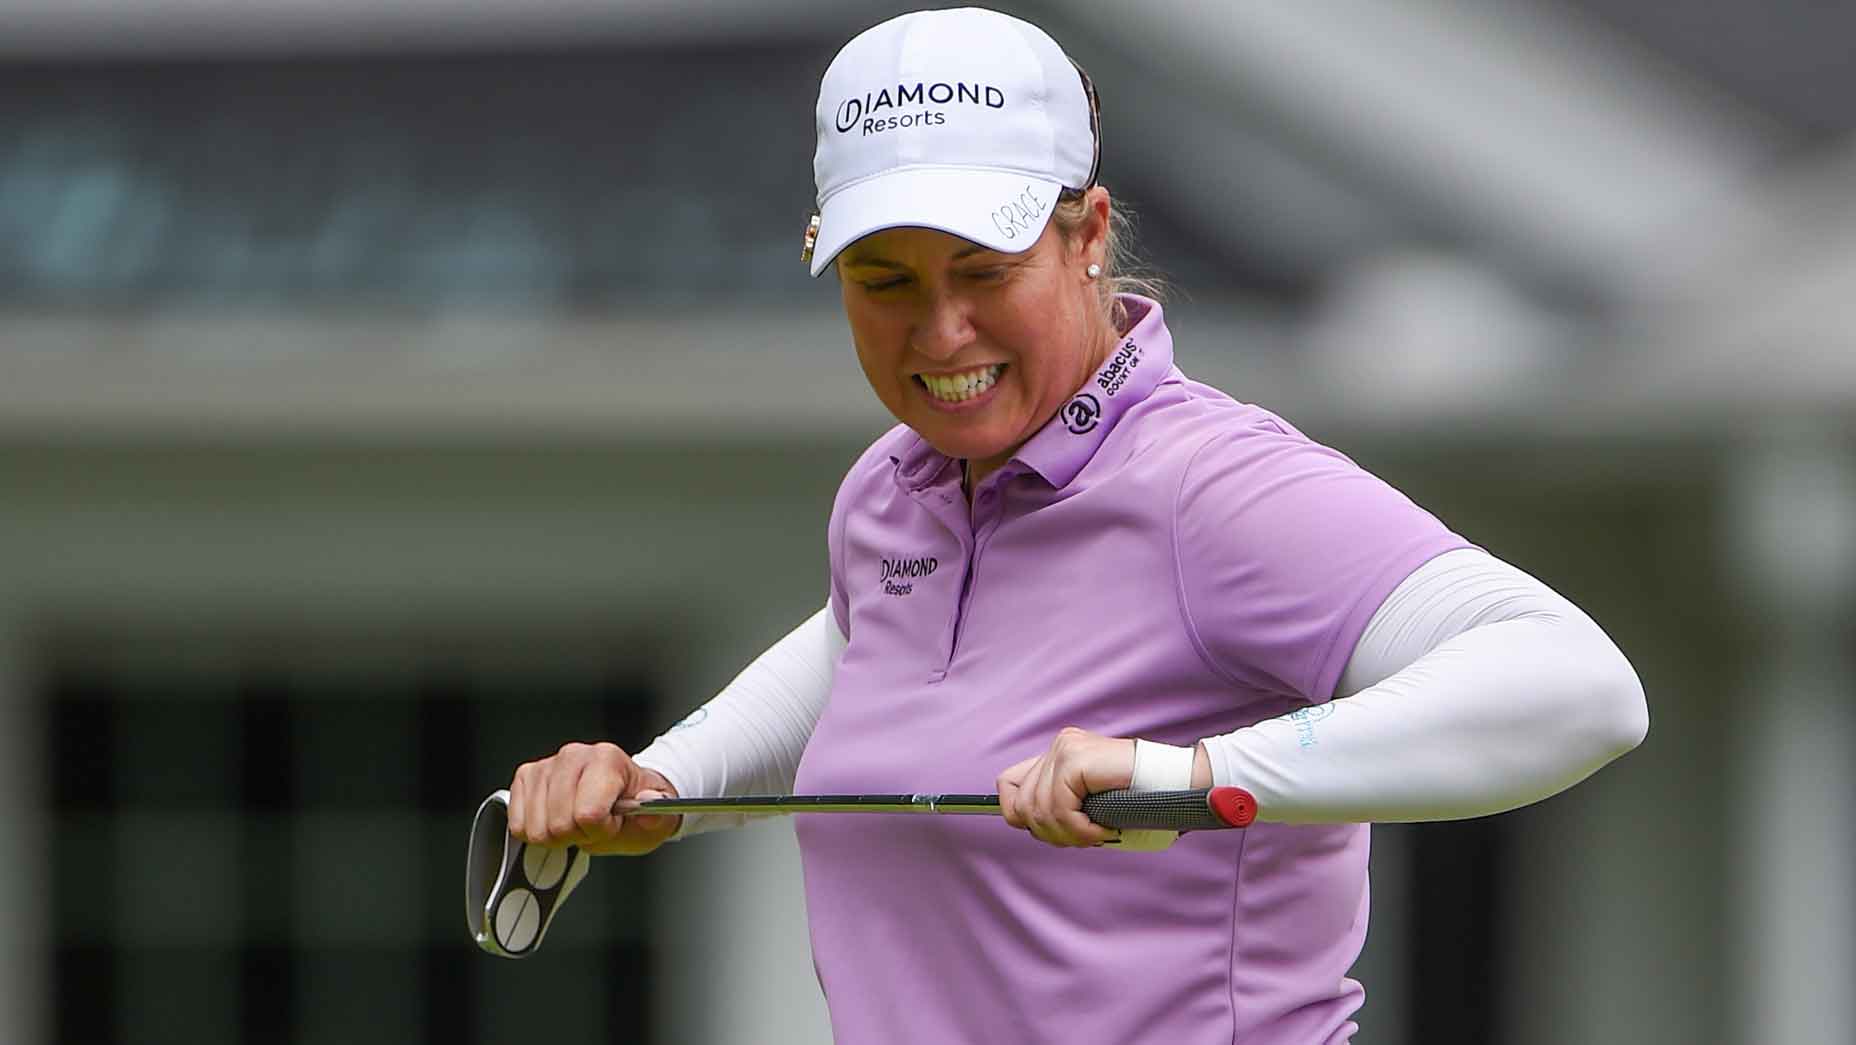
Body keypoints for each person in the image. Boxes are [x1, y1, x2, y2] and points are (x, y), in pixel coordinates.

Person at [505, 7, 1648, 1042]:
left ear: (1086, 232)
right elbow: (855, 647)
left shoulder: (1214, 486)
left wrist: (1187, 773)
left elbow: (1574, 685)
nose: (939, 331)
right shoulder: (895, 491)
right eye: (883, 279)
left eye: (981, 268)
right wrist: (661, 782)